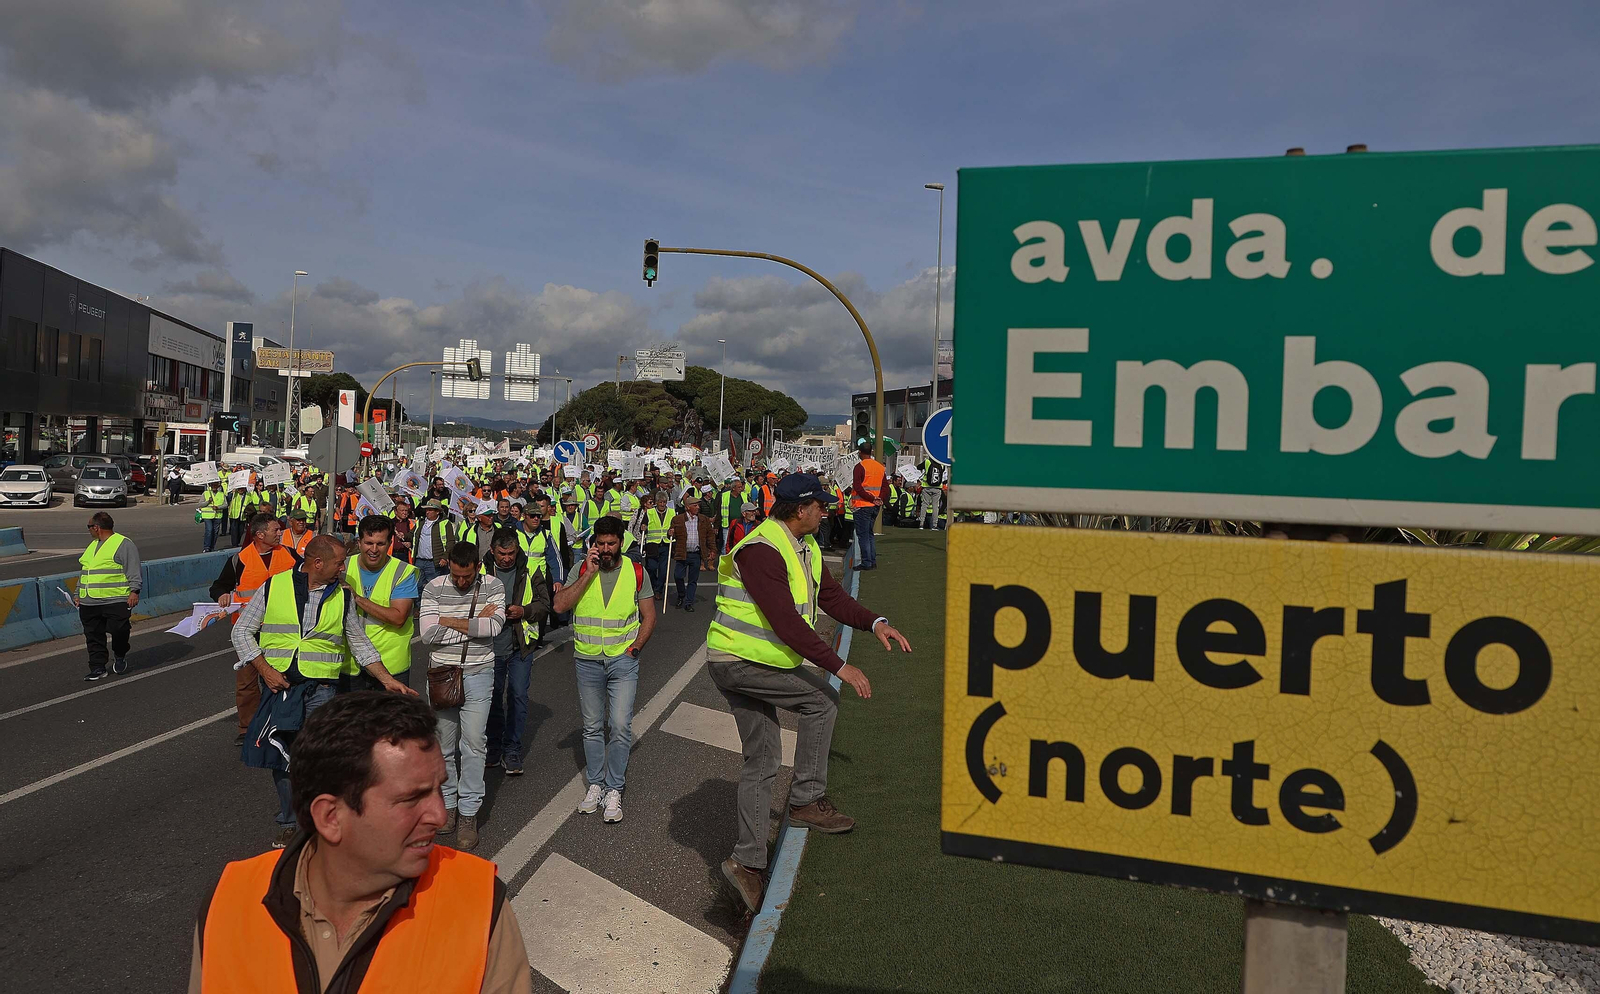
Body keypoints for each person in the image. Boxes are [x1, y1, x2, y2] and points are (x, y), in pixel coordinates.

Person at [188, 691, 531, 994]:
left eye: (439, 788)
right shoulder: (229, 902)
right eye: (411, 798)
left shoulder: (479, 903)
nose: (440, 816)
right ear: (330, 817)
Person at [706, 473, 911, 913]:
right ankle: (805, 801)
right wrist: (841, 666)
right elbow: (786, 622)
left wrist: (875, 623)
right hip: (739, 663)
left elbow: (833, 599)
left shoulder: (804, 546)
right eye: (820, 505)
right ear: (801, 509)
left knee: (762, 758)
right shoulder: (762, 549)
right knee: (823, 700)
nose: (827, 510)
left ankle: (747, 864)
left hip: (752, 662)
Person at [232, 534, 410, 848]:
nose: (344, 568)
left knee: (320, 757)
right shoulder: (274, 587)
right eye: (339, 562)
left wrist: (387, 679)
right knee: (284, 757)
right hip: (281, 688)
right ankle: (291, 820)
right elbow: (242, 631)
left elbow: (359, 644)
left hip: (323, 690)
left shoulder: (342, 596)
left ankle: (322, 821)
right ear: (317, 563)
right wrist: (264, 669)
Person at [552, 515, 656, 824]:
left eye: (611, 543)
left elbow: (648, 616)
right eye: (600, 543)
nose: (606, 548)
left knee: (621, 726)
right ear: (593, 543)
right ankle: (595, 784)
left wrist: (635, 648)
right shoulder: (582, 568)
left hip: (623, 660)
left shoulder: (636, 572)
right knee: (593, 727)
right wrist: (588, 574)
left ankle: (614, 788)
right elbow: (560, 605)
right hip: (587, 659)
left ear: (621, 543)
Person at [418, 541, 506, 850]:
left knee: (473, 744)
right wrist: (472, 623)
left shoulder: (493, 585)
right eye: (456, 575)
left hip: (479, 673)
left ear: (477, 568)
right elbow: (428, 633)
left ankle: (468, 812)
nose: (460, 582)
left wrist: (448, 621)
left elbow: (494, 626)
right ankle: (448, 805)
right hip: (442, 675)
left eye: (466, 577)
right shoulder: (433, 587)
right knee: (443, 747)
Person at [210, 514, 300, 743]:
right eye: (275, 530)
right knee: (247, 683)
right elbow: (219, 586)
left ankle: (281, 724)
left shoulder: (289, 555)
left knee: (282, 679)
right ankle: (247, 729)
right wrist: (221, 594)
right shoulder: (240, 559)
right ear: (260, 535)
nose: (280, 533)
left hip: (283, 631)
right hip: (249, 632)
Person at [482, 530, 550, 777]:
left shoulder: (530, 568)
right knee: (492, 697)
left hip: (520, 645)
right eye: (502, 554)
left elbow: (545, 604)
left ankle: (512, 749)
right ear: (492, 550)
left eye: (512, 553)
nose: (508, 558)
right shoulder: (480, 570)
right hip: (489, 646)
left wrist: (524, 611)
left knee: (518, 695)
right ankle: (494, 746)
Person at [343, 515, 421, 692]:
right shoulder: (343, 567)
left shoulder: (402, 572)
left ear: (390, 542)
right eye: (369, 543)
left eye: (380, 544)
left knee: (390, 720)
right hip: (350, 665)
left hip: (390, 665)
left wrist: (357, 598)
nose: (374, 549)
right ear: (359, 542)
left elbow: (398, 617)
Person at [77, 511, 141, 682]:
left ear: (96, 527)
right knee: (93, 635)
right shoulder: (92, 545)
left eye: (89, 527)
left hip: (116, 599)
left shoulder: (123, 544)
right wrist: (78, 594)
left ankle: (119, 653)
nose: (89, 530)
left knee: (119, 630)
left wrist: (134, 591)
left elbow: (133, 569)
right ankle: (97, 667)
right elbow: (86, 572)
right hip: (89, 600)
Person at [668, 493, 715, 612]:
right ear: (688, 507)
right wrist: (670, 533)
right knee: (678, 576)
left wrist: (712, 550)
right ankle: (681, 595)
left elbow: (710, 536)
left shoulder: (703, 520)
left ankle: (689, 602)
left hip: (695, 554)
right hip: (682, 553)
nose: (698, 507)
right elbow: (670, 535)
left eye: (698, 505)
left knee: (693, 580)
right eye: (695, 505)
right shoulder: (677, 519)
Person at [851, 442, 886, 569]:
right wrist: (878, 498)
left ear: (860, 452)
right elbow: (885, 487)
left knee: (863, 535)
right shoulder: (880, 467)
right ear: (871, 451)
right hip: (875, 506)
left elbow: (858, 487)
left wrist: (872, 498)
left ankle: (866, 562)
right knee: (869, 534)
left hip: (862, 505)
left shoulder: (859, 467)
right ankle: (872, 561)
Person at [642, 491, 675, 599]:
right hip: (652, 544)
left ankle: (658, 590)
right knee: (651, 567)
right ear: (656, 502)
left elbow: (676, 526)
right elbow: (643, 526)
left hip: (665, 544)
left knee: (663, 570)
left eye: (664, 502)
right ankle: (653, 584)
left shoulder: (672, 512)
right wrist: (644, 527)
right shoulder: (650, 512)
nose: (662, 504)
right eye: (660, 502)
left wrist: (673, 530)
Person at [200, 478, 227, 552]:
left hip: (217, 516)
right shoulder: (205, 493)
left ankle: (212, 547)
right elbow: (200, 504)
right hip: (207, 516)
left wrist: (218, 507)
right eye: (213, 485)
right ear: (210, 485)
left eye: (216, 485)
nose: (214, 486)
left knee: (215, 532)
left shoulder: (221, 494)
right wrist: (208, 501)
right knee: (209, 530)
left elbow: (225, 505)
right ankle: (206, 547)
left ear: (218, 486)